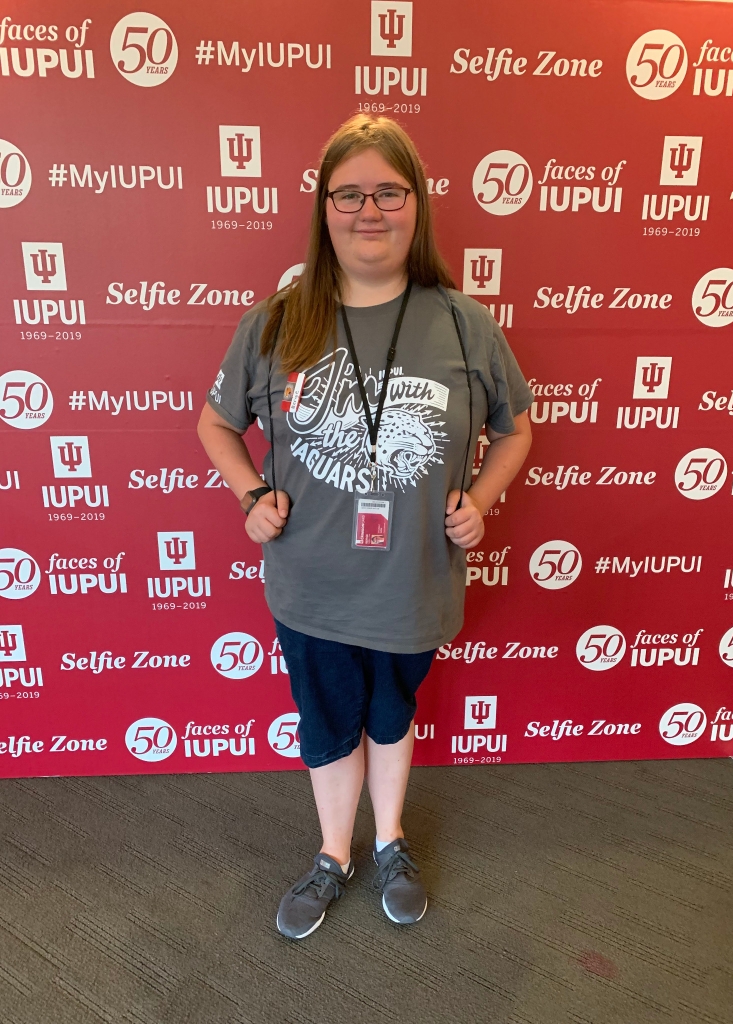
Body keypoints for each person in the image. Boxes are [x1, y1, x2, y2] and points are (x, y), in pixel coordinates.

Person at [197, 114, 532, 940]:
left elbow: (517, 427)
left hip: (413, 579)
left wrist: (482, 499)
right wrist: (250, 496)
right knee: (326, 717)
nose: (368, 209)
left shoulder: (462, 323)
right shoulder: (278, 321)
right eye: (348, 193)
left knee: (392, 709)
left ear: (417, 206)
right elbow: (213, 424)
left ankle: (391, 842)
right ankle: (331, 854)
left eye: (388, 190)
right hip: (312, 583)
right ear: (323, 208)